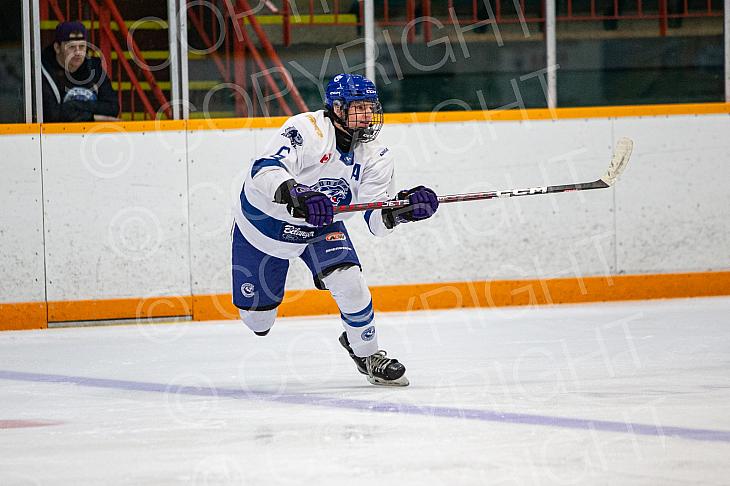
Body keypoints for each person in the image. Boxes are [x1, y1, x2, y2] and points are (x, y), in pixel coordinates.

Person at [232, 73, 439, 386]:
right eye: (360, 108)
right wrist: (295, 192)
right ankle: (259, 308)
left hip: (320, 226)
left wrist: (404, 210)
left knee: (350, 283)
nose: (369, 116)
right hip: (264, 226)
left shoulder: (377, 156)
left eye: (372, 108)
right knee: (258, 322)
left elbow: (374, 220)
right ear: (338, 109)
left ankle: (368, 354)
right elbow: (263, 169)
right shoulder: (307, 129)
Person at [41, 21, 119, 122]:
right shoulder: (44, 71)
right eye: (71, 47)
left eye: (82, 46)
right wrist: (93, 117)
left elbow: (113, 108)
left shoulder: (94, 69)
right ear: (57, 47)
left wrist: (73, 106)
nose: (78, 52)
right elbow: (51, 115)